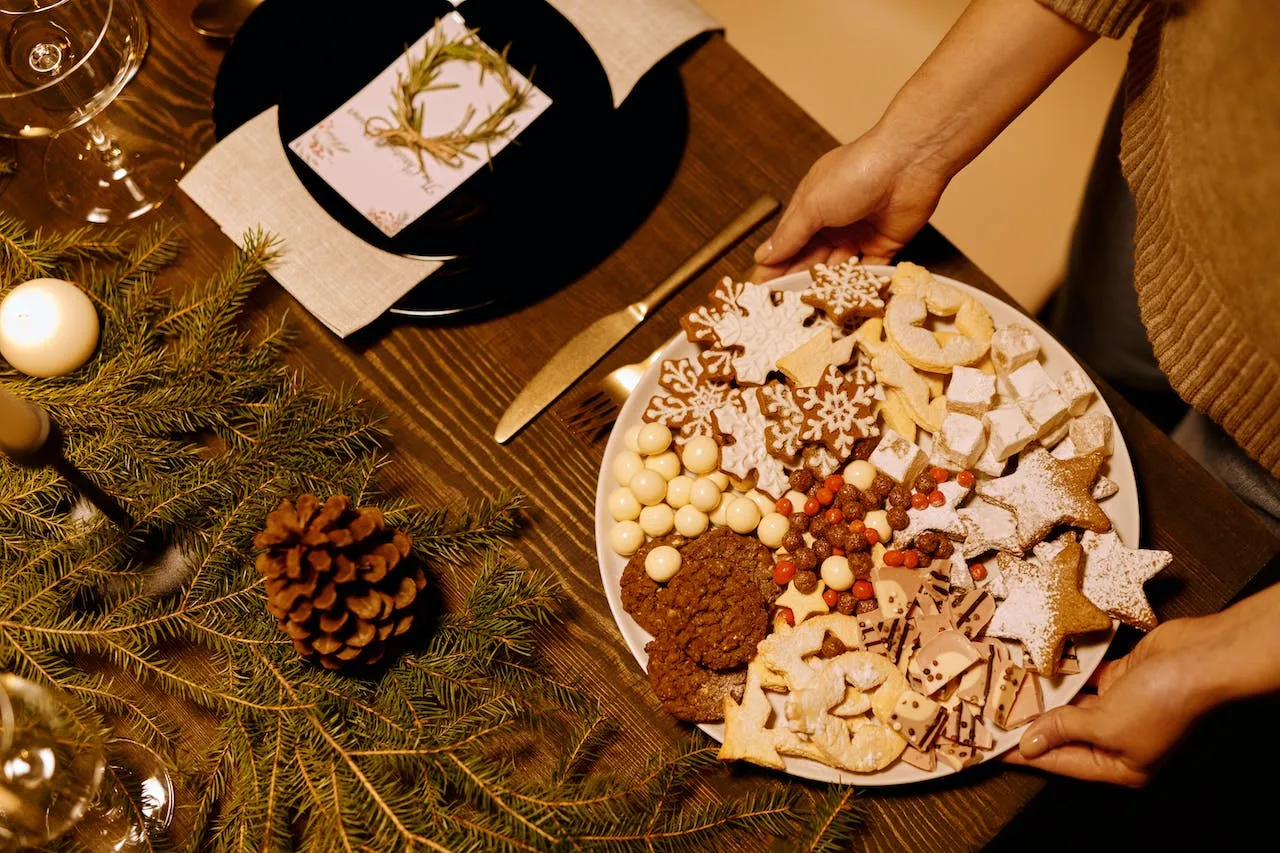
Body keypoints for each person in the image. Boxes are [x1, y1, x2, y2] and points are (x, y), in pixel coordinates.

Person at [748, 0, 1280, 784]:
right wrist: (912, 146)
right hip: (1185, 145)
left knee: (1219, 535)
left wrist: (1232, 649)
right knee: (1089, 361)